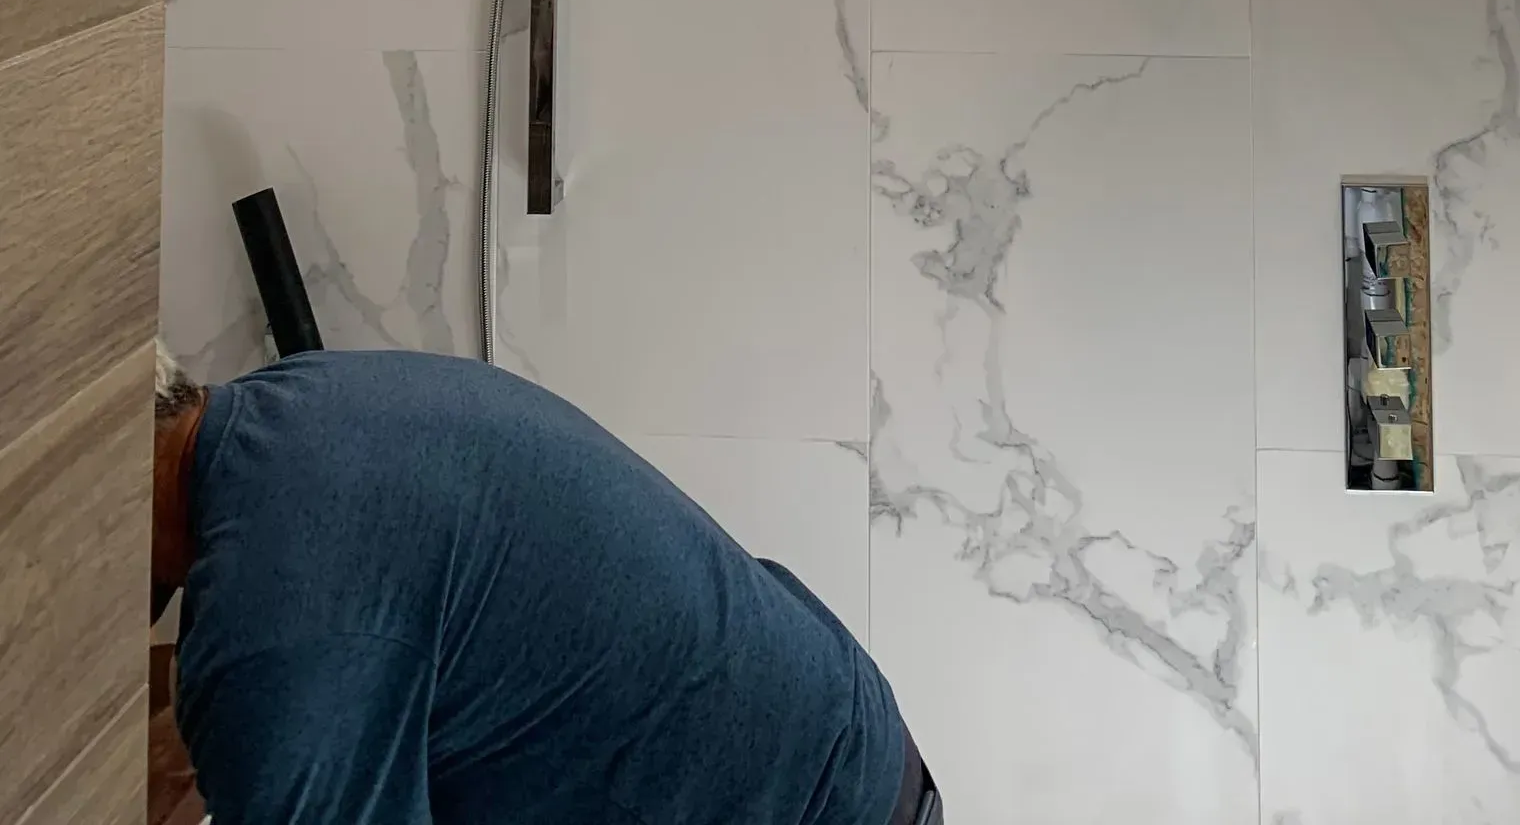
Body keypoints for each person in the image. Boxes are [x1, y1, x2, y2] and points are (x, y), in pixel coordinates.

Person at [150, 340, 942, 825]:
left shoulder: (274, 612)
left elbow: (304, 649)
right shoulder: (298, 403)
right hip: (836, 738)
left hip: (798, 799)